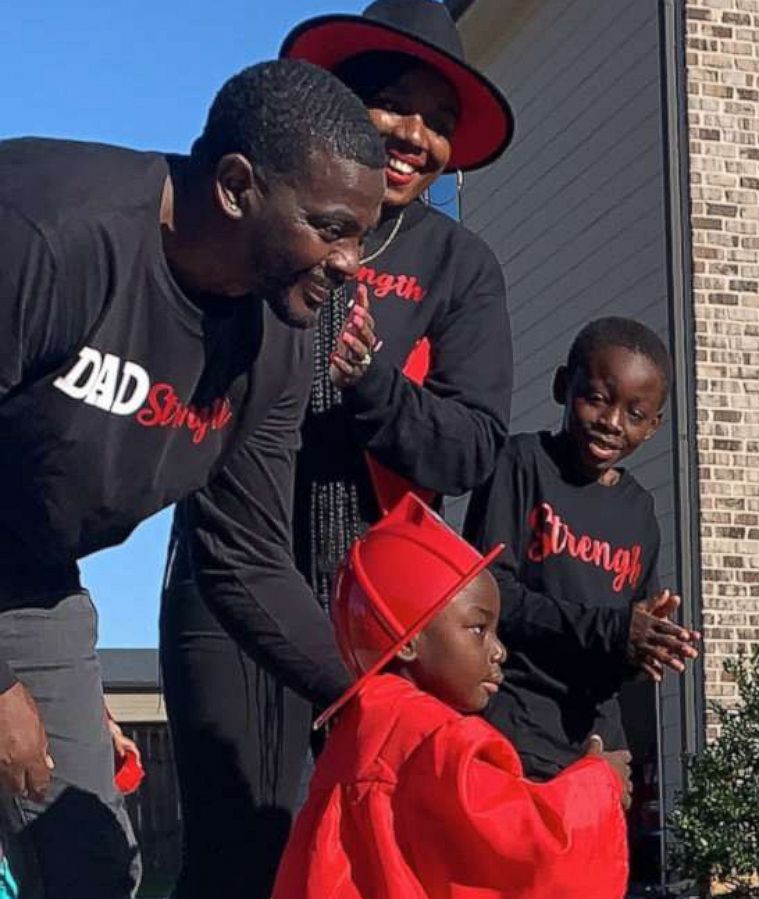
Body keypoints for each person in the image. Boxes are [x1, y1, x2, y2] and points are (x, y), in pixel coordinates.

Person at [0, 59, 384, 898]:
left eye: (365, 233)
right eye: (330, 228)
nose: (352, 262)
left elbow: (244, 555)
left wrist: (375, 700)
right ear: (238, 186)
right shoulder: (43, 229)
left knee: (89, 866)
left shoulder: (277, 341)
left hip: (27, 577)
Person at [159, 2, 516, 894]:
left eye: (438, 121)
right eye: (394, 104)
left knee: (357, 852)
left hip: (380, 618)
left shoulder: (460, 265)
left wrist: (373, 390)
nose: (415, 135)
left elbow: (471, 448)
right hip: (227, 570)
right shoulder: (271, 213)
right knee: (235, 846)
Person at [272, 494, 630, 899]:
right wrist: (602, 784)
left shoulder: (358, 735)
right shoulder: (435, 738)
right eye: (479, 630)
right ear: (407, 640)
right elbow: (530, 849)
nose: (499, 650)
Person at [464, 317, 701, 781]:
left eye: (635, 414)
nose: (612, 422)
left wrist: (649, 647)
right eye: (597, 398)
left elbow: (620, 646)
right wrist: (614, 630)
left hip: (594, 746)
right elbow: (493, 597)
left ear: (654, 426)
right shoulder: (520, 464)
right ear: (561, 385)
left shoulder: (639, 512)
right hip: (512, 731)